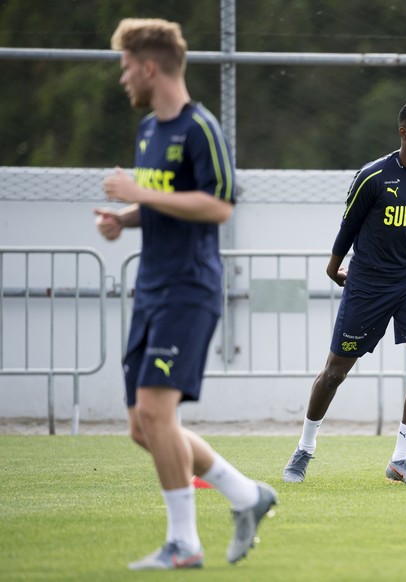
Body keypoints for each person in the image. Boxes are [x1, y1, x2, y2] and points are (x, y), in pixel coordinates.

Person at [94, 18, 276, 570]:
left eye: (126, 66)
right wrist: (125, 217)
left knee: (156, 411)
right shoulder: (149, 130)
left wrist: (139, 191)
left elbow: (218, 206)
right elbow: (162, 200)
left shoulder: (202, 129)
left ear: (149, 66)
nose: (123, 76)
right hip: (150, 288)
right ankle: (246, 495)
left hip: (189, 288)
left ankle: (184, 544)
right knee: (143, 426)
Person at [283, 100, 406, 486]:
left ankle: (400, 460)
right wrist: (333, 267)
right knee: (334, 373)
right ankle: (304, 449)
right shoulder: (373, 177)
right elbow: (348, 227)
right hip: (367, 283)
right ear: (403, 134)